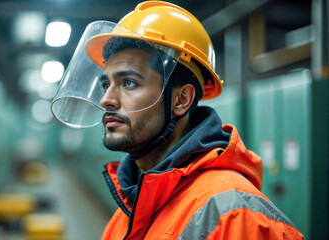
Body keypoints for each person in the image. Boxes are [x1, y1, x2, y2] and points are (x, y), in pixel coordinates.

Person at [51, 1, 304, 239]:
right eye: (106, 84)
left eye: (128, 83)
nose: (107, 99)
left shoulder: (235, 217)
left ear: (181, 100)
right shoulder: (128, 210)